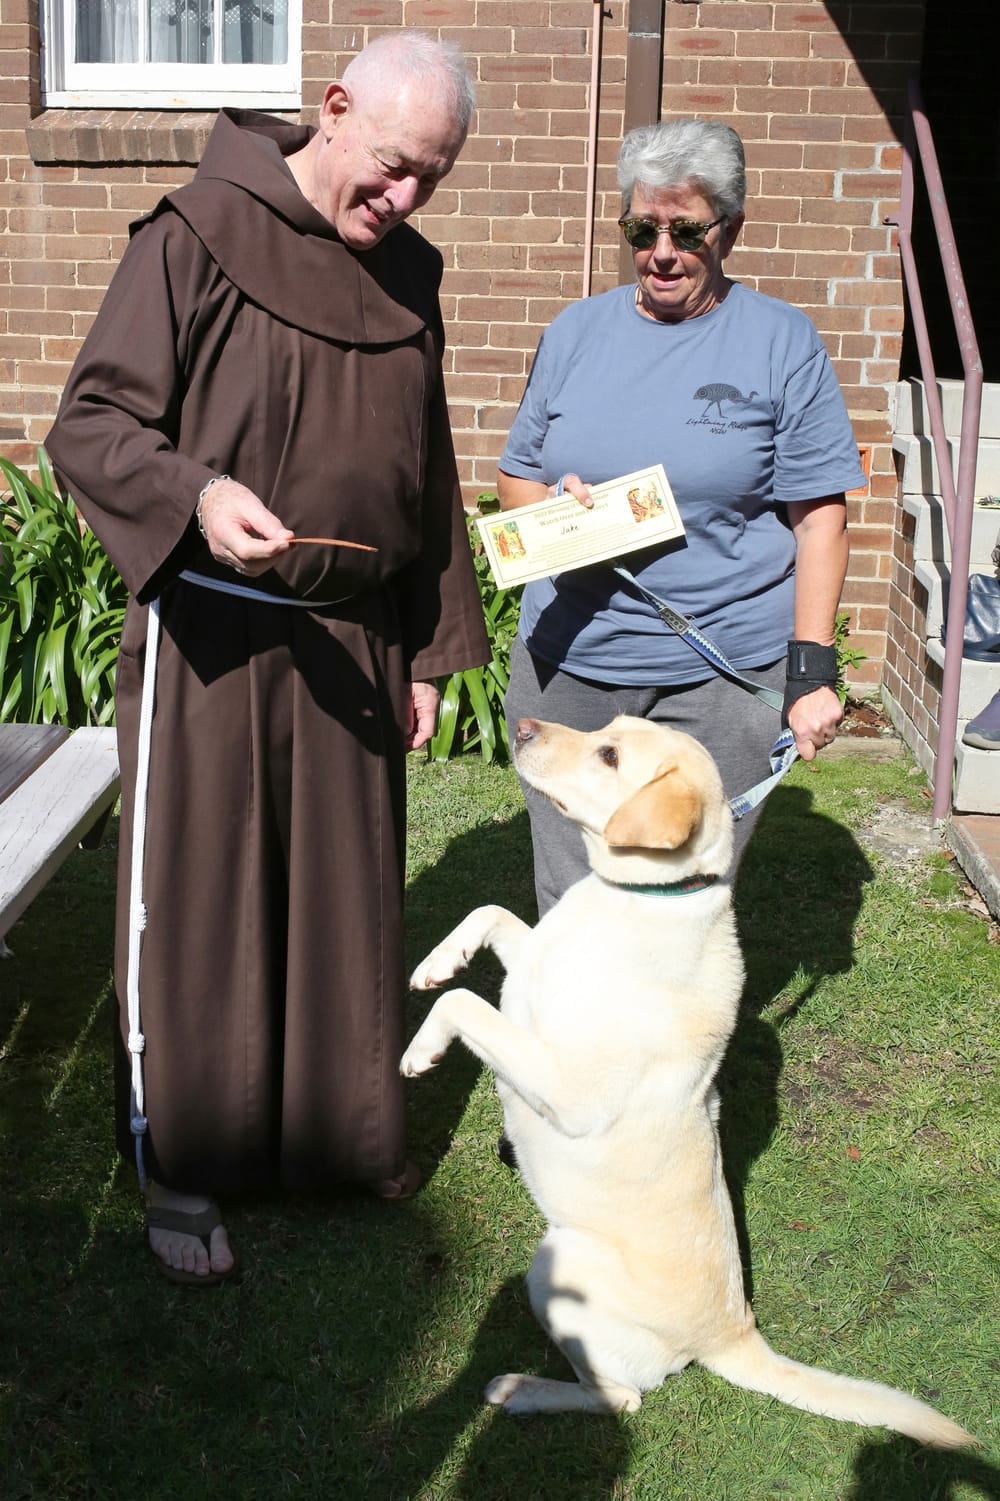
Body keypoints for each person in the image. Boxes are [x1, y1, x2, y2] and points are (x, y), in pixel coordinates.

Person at [45, 32, 490, 1284]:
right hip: (215, 634)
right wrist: (195, 494)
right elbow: (91, 423)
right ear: (333, 109)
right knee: (204, 903)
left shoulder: (410, 273)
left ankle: (332, 1139)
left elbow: (428, 470)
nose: (404, 197)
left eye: (431, 178)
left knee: (345, 901)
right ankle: (185, 1161)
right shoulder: (191, 236)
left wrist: (427, 649)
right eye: (393, 165)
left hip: (355, 633)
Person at [498, 118, 865, 916]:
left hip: (721, 674)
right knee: (571, 901)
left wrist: (810, 673)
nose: (661, 252)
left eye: (686, 230)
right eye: (642, 229)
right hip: (570, 663)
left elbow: (820, 520)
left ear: (729, 227)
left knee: (685, 898)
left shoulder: (781, 342)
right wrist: (556, 513)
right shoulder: (575, 333)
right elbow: (517, 476)